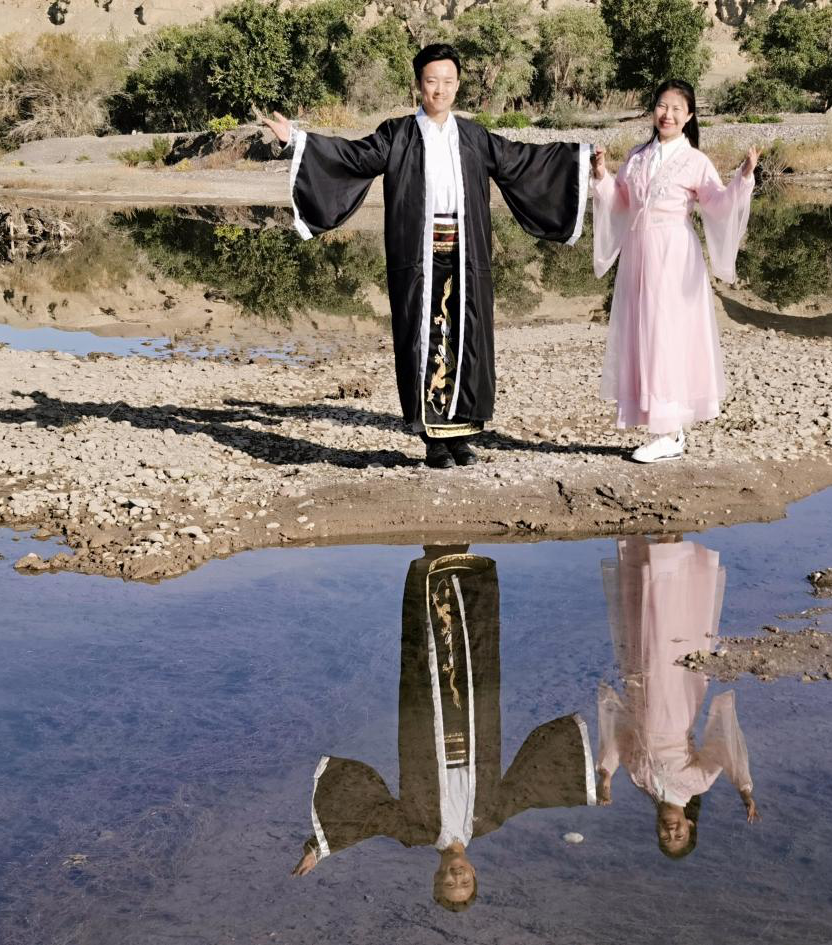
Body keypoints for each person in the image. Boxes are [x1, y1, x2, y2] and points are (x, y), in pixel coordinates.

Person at [260, 44, 591, 469]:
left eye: (448, 81)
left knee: (468, 337)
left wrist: (578, 159)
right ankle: (432, 439)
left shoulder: (474, 137)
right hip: (417, 257)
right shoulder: (397, 134)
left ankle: (461, 436)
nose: (440, 89)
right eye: (432, 81)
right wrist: (296, 140)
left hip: (466, 255)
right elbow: (354, 157)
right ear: (419, 84)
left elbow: (522, 160)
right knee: (422, 339)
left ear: (458, 85)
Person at [290, 547, 596, 910]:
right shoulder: (489, 819)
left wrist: (319, 848)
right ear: (474, 873)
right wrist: (590, 782)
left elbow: (369, 819)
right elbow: (529, 788)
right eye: (464, 882)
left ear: (436, 877)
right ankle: (466, 570)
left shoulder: (414, 830)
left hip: (425, 724)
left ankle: (430, 563)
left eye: (450, 882)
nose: (456, 876)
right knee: (475, 652)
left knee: (426, 652)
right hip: (478, 724)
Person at [590, 79, 757, 463]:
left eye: (677, 109)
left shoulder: (695, 161)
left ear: (689, 116)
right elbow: (620, 203)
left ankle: (670, 430)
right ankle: (661, 424)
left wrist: (744, 177)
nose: (667, 114)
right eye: (662, 106)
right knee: (643, 334)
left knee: (667, 336)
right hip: (638, 254)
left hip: (674, 256)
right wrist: (601, 174)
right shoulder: (637, 157)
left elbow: (718, 204)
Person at [596, 536, 759, 860]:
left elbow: (621, 739)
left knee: (641, 628)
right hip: (673, 709)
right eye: (679, 834)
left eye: (665, 836)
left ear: (656, 829)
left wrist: (605, 777)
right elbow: (723, 748)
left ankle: (653, 552)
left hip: (640, 698)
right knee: (665, 638)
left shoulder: (642, 782)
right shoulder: (695, 785)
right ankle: (674, 553)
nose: (671, 831)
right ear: (690, 824)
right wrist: (744, 790)